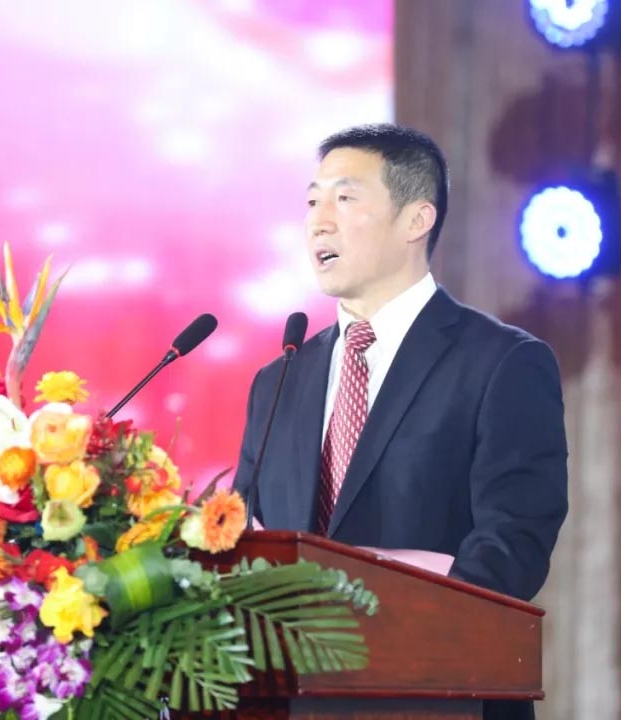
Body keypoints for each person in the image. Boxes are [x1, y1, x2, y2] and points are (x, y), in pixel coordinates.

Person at [232, 123, 568, 720]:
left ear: (416, 219)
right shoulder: (279, 378)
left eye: (344, 198)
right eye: (312, 202)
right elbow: (244, 537)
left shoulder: (502, 363)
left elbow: (512, 546)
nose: (318, 223)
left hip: (437, 695)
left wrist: (367, 621)